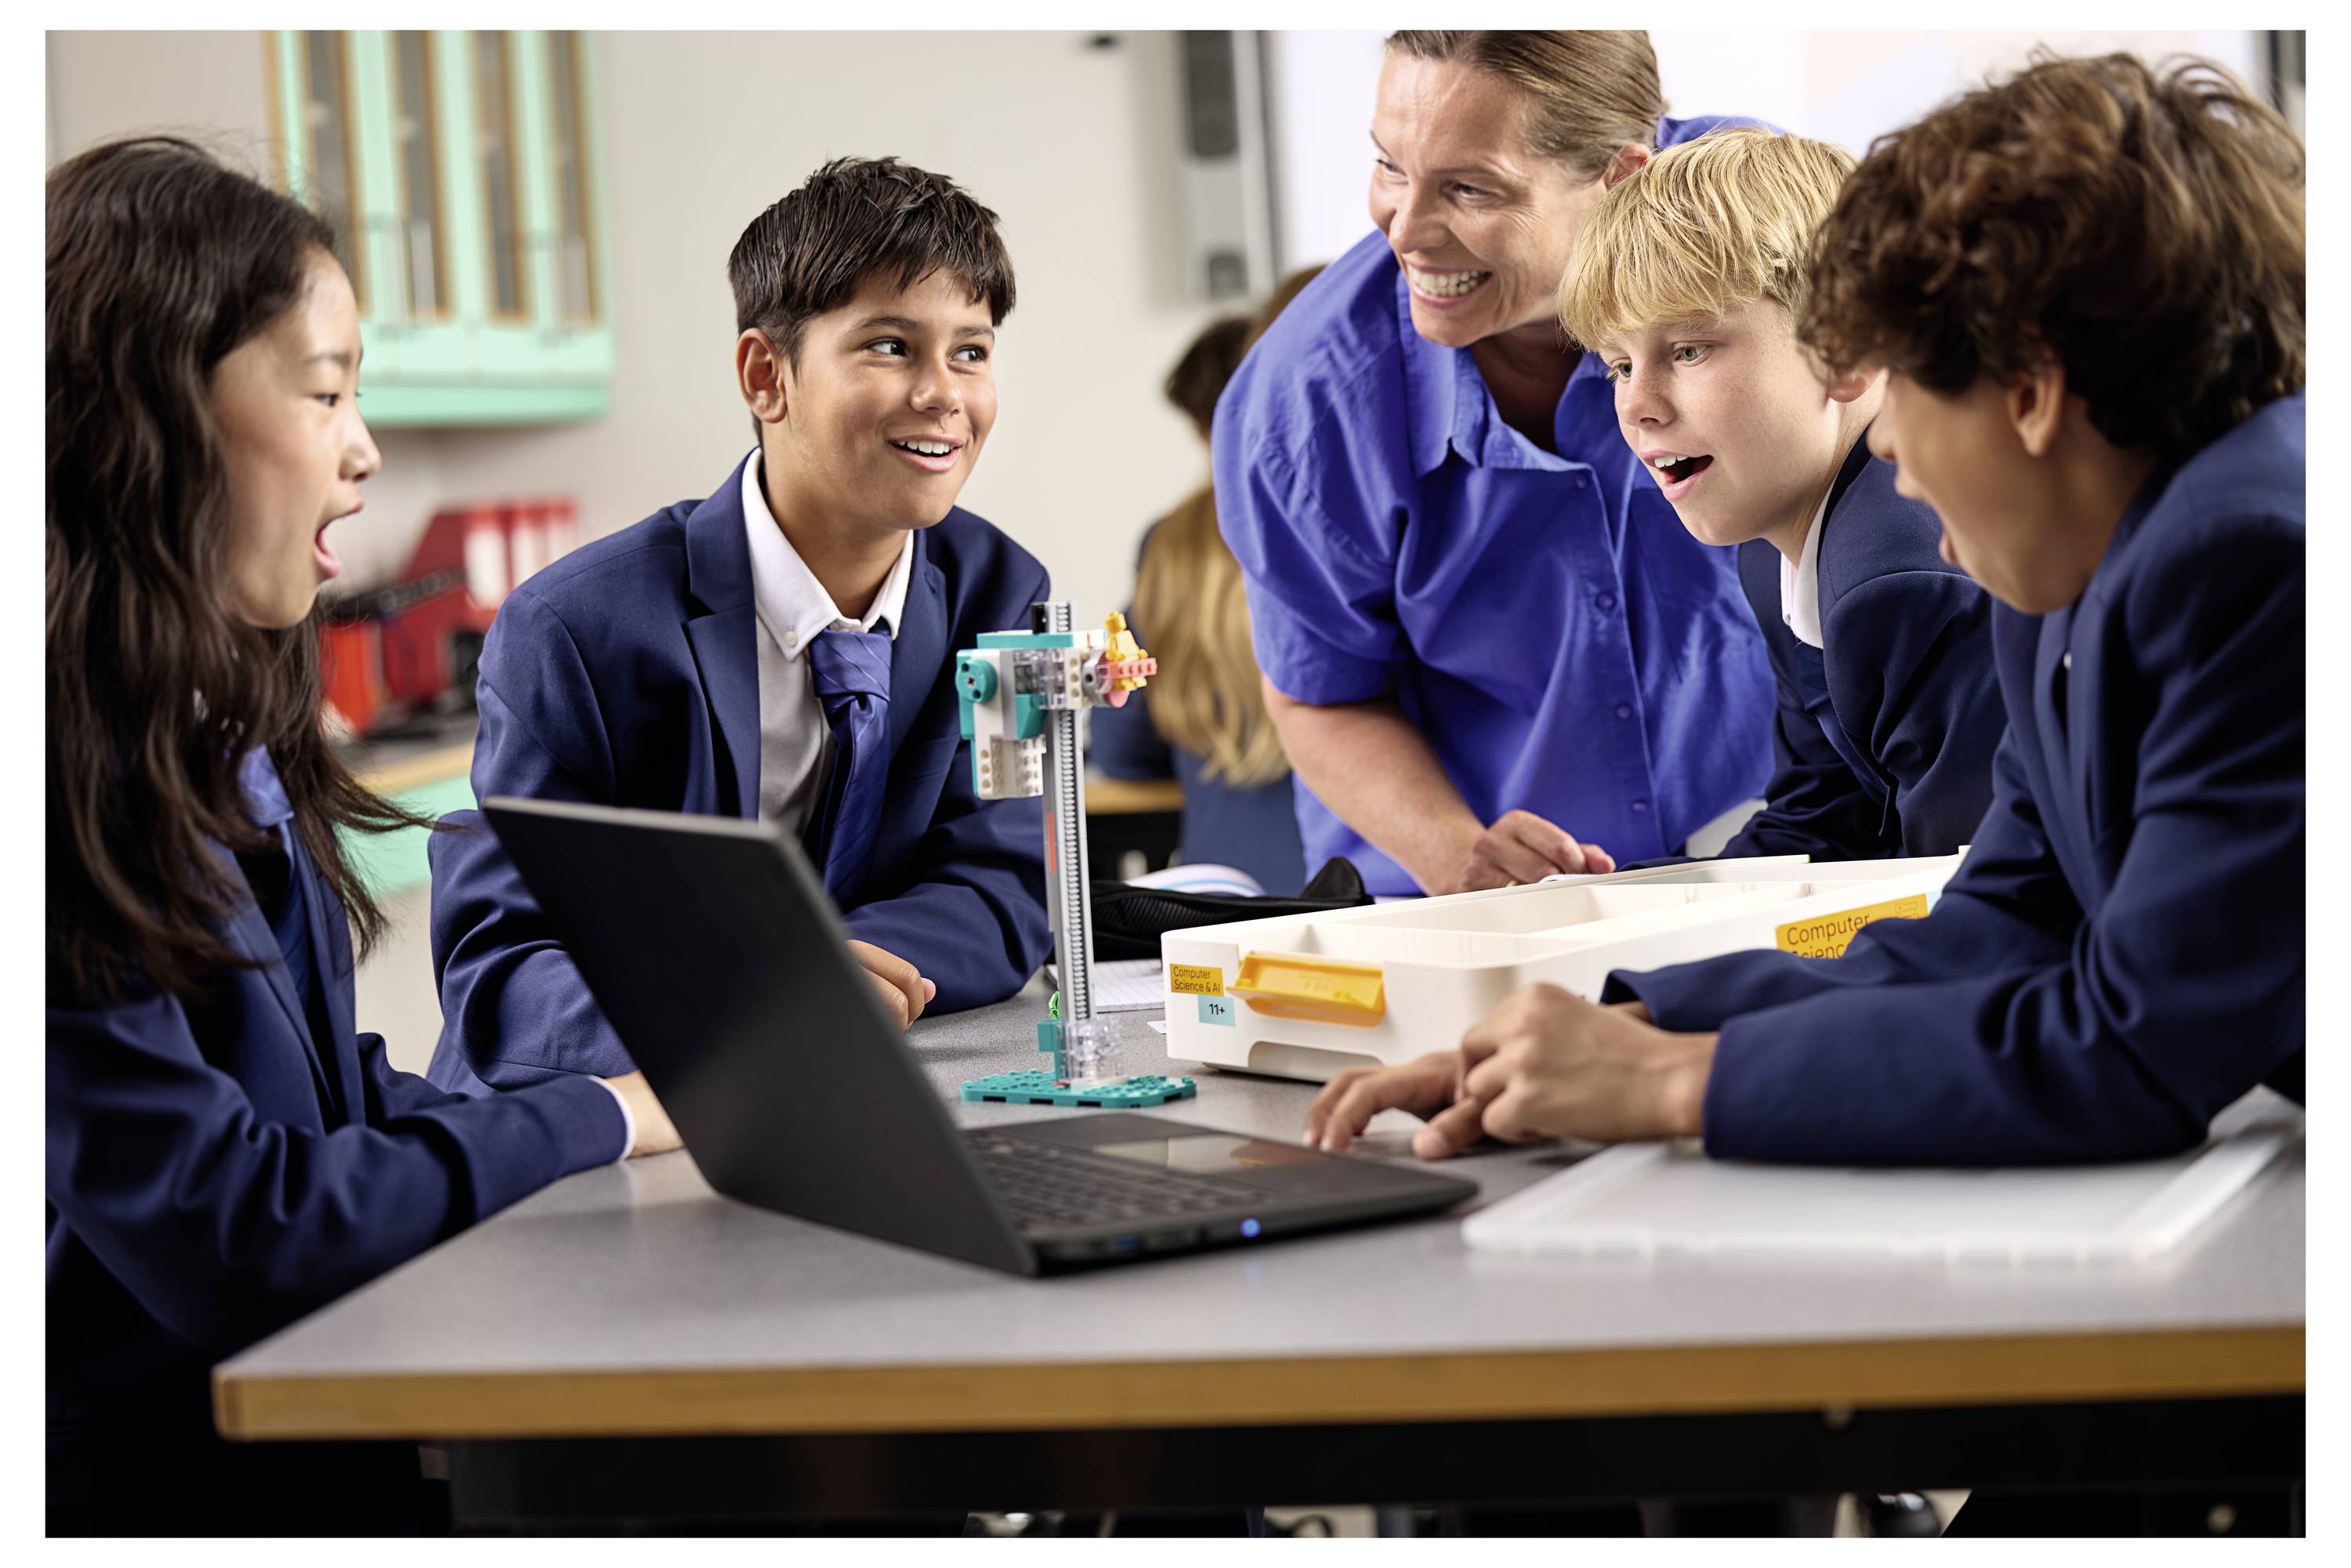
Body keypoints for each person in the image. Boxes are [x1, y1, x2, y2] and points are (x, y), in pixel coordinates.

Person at [1305, 51, 2305, 1171]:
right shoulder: (2075, 572)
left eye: (1905, 387)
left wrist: (1675, 1084)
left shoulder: (2257, 561)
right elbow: (2000, 929)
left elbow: (2139, 1050)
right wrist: (1625, 1030)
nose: (1887, 447)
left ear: (2028, 390)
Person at [45, 137, 679, 1534]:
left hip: (319, 1437)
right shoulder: (55, 783)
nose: (363, 449)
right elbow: (236, 1224)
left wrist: (635, 1112)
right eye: (326, 389)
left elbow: (325, 1106)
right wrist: (596, 1115)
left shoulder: (218, 725)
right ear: (148, 409)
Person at [427, 157, 1054, 1094]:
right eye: (890, 346)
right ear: (767, 376)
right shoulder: (576, 629)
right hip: (603, 1124)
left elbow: (1005, 885)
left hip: (844, 1092)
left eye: (971, 350)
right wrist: (753, 995)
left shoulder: (999, 596)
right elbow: (504, 971)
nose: (944, 394)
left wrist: (826, 979)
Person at [1214, 30, 1777, 898]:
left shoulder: (1771, 235)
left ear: (1621, 178)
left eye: (1469, 188)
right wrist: (1460, 858)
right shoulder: (1305, 406)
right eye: (1390, 168)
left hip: (1772, 858)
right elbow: (1321, 693)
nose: (1405, 231)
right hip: (1460, 894)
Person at [1556, 127, 2001, 864]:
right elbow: (1824, 819)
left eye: (1688, 350)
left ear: (1846, 351)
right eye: (1617, 365)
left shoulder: (1899, 571)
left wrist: (1660, 982)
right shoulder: (1779, 555)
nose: (1637, 405)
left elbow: (1965, 906)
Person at [1089, 271, 1319, 894]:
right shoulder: (1370, 523)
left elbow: (1120, 744)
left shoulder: (1173, 546)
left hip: (1220, 895)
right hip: (1353, 887)